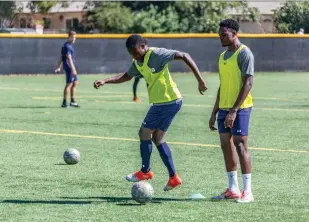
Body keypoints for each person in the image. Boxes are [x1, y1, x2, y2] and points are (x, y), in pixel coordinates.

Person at [94, 34, 207, 191]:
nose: (134, 56)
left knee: (144, 132)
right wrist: (106, 81)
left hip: (167, 101)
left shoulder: (157, 54)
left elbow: (184, 55)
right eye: (131, 54)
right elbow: (126, 76)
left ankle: (145, 171)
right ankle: (173, 177)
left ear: (142, 46)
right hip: (168, 102)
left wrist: (200, 80)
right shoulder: (138, 62)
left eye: (135, 52)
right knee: (158, 138)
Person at [209, 19, 255, 203]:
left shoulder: (244, 54)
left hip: (240, 108)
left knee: (240, 146)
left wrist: (234, 110)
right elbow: (223, 86)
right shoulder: (222, 56)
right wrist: (214, 111)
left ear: (235, 34)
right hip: (224, 108)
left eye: (224, 34)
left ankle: (248, 192)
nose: (221, 37)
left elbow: (248, 83)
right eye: (220, 34)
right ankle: (233, 189)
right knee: (225, 146)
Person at [55, 30, 80, 108]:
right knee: (69, 84)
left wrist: (58, 67)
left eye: (75, 38)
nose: (73, 39)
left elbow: (61, 57)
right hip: (69, 68)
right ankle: (64, 103)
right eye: (72, 37)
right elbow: (69, 58)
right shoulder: (67, 46)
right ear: (68, 37)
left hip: (70, 67)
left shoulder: (68, 45)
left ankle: (72, 101)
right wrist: (73, 69)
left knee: (75, 83)